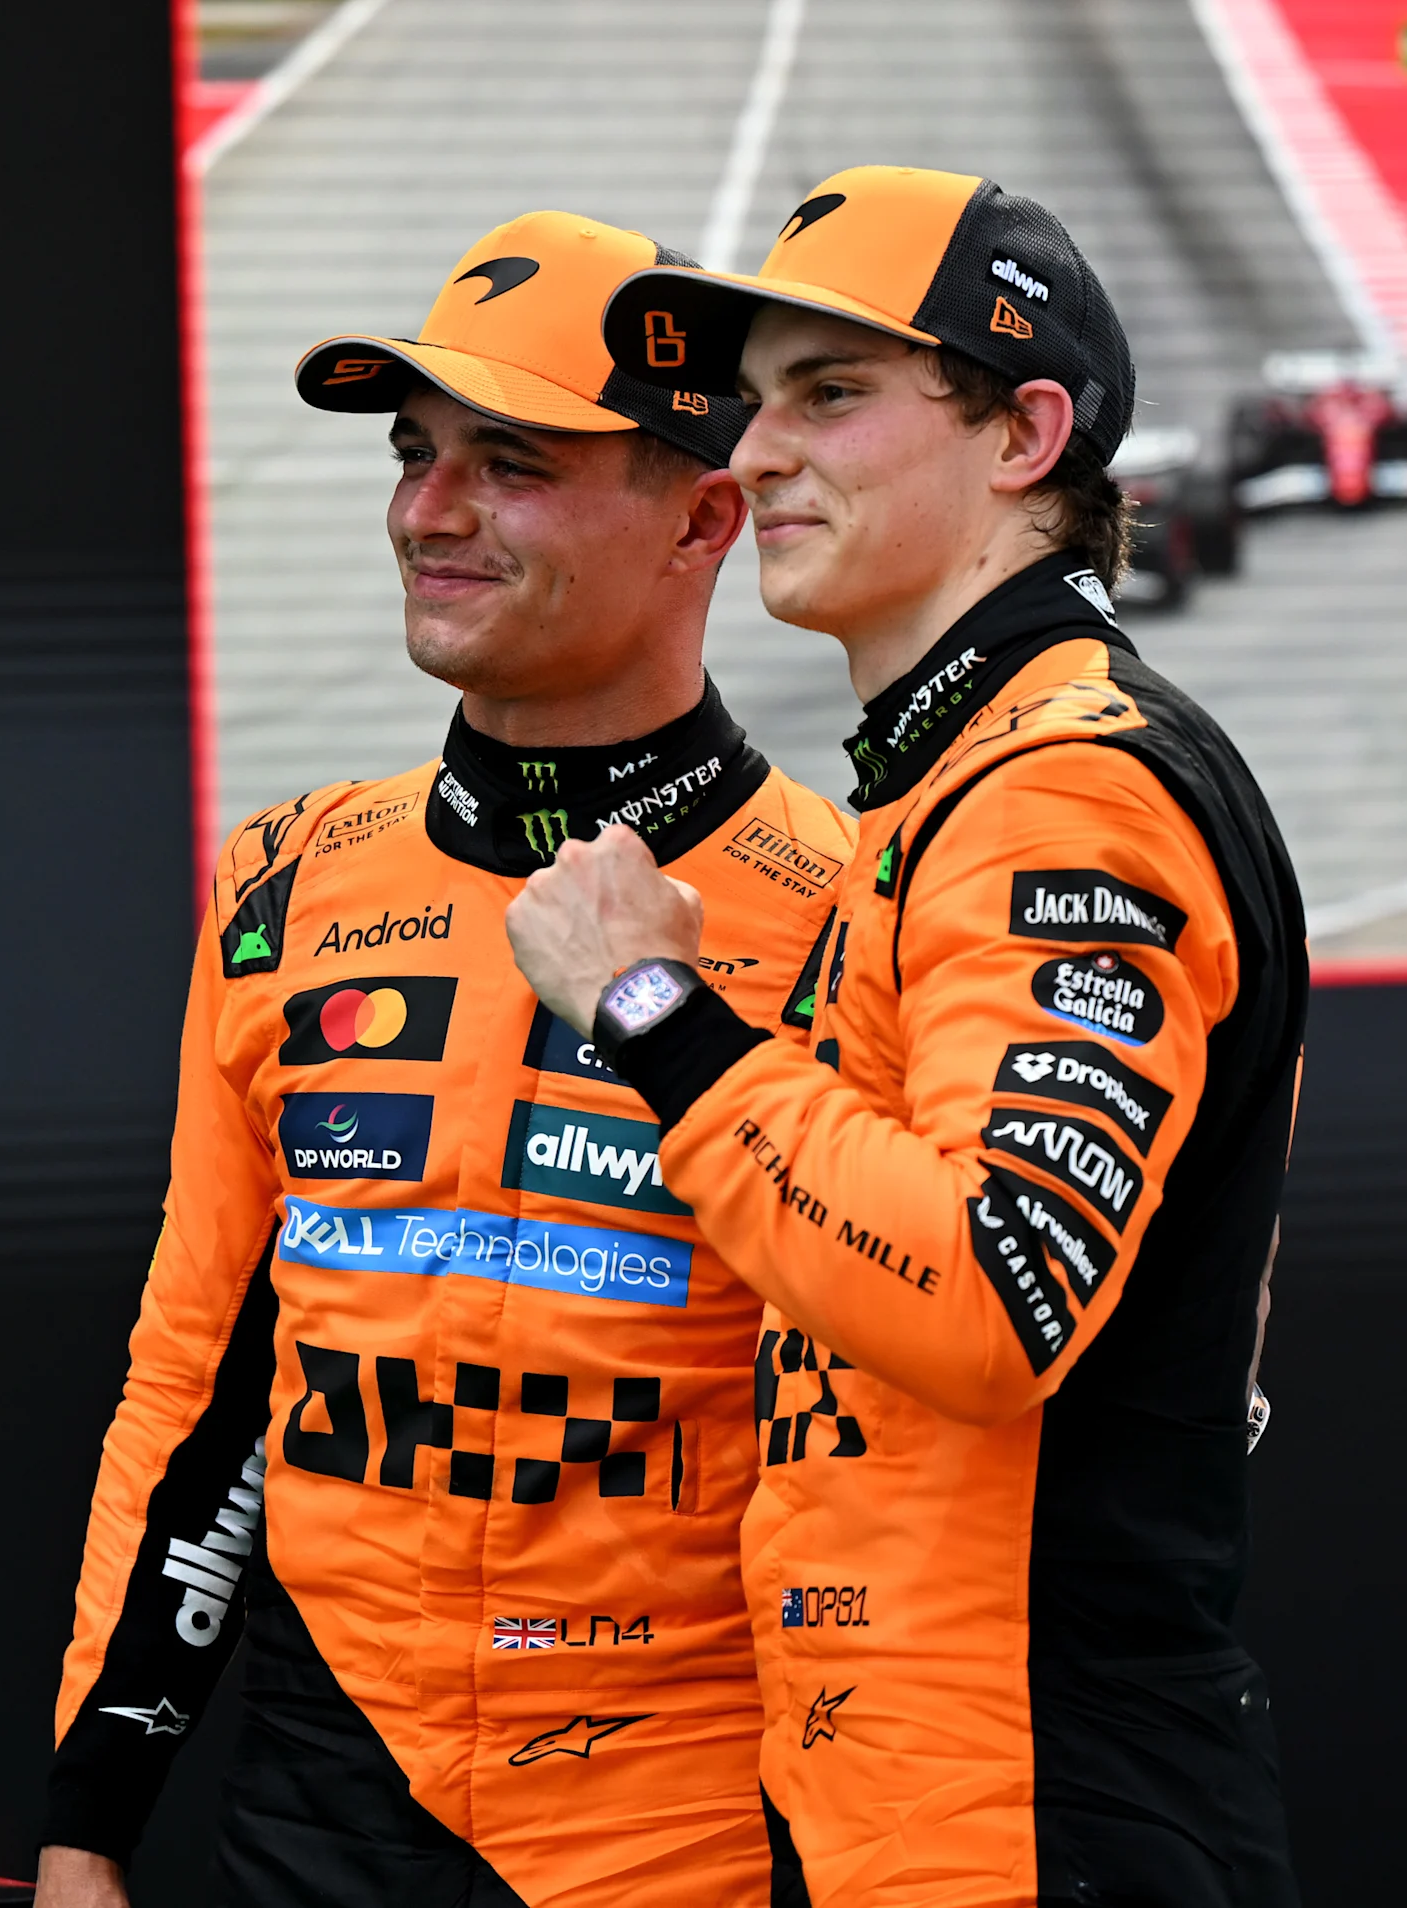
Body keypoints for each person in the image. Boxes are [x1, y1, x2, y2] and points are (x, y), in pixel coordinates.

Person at [506, 166, 1311, 1907]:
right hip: (943, 1792)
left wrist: (650, 1009)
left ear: (1026, 434)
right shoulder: (963, 785)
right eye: (752, 403)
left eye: (832, 395)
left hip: (1026, 1799)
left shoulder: (1064, 791)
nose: (754, 456)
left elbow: (985, 1294)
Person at [38, 210, 856, 1908]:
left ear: (706, 516)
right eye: (416, 456)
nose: (428, 510)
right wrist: (89, 1819)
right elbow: (200, 1381)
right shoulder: (288, 876)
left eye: (514, 462)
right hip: (319, 1815)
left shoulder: (848, 906)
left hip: (692, 1827)